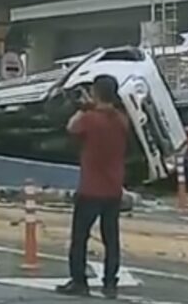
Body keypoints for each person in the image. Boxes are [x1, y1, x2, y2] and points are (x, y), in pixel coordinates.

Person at [56, 75, 129, 299]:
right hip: (114, 187)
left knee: (80, 237)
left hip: (90, 188)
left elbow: (71, 127)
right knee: (111, 238)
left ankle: (79, 282)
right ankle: (110, 284)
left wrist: (83, 107)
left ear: (96, 93)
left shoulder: (89, 118)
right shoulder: (121, 119)